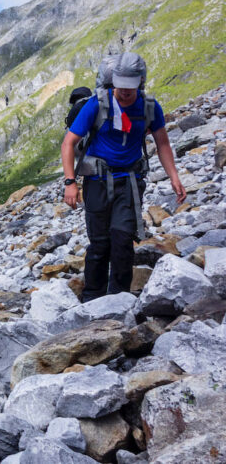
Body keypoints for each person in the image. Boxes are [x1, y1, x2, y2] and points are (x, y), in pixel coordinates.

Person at [61, 52, 186, 302]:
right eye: (121, 86)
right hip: (97, 182)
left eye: (131, 87)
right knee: (99, 244)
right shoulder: (97, 104)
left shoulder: (150, 106)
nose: (126, 92)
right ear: (114, 81)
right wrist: (70, 183)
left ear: (141, 81)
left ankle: (119, 299)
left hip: (129, 182)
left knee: (122, 240)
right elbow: (69, 143)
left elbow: (162, 143)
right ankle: (92, 299)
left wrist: (174, 176)